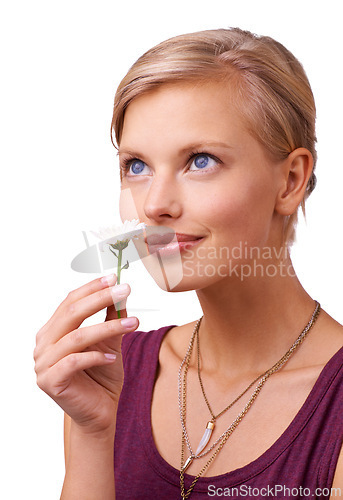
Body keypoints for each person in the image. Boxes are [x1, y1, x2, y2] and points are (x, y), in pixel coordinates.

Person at [34, 28, 343, 499]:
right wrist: (95, 434)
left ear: (291, 181)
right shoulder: (114, 373)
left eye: (200, 160)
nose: (154, 205)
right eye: (136, 166)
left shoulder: (334, 403)